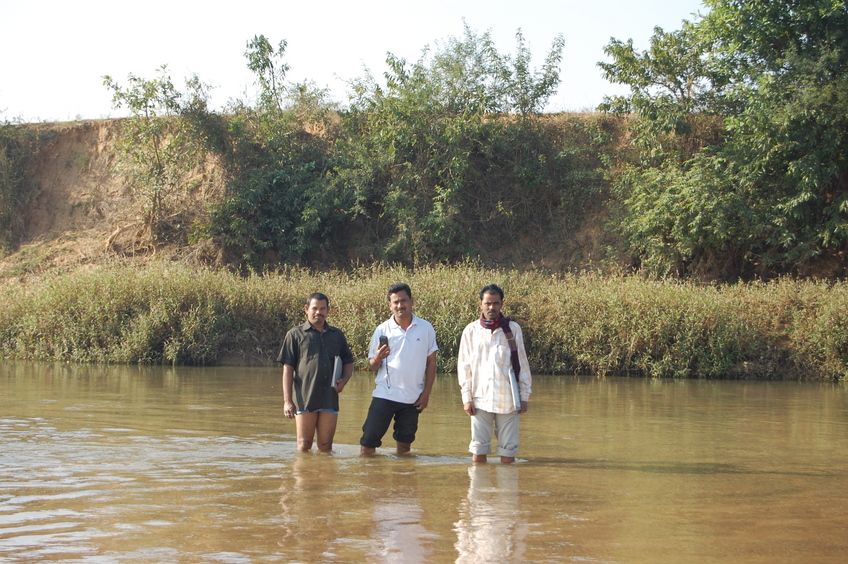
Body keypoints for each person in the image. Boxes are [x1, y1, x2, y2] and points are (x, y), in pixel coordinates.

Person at [360, 283, 438, 455]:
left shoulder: (426, 328)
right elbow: (372, 366)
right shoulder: (382, 329)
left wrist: (426, 393)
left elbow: (431, 362)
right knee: (368, 445)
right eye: (395, 302)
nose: (400, 305)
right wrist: (377, 358)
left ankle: (402, 481)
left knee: (404, 448)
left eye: (403, 301)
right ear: (390, 305)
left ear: (411, 301)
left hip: (413, 398)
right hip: (384, 395)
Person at [457, 284, 531, 463]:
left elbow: (522, 363)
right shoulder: (471, 331)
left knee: (508, 453)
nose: (492, 307)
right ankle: (478, 489)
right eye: (488, 303)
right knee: (478, 451)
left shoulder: (512, 329)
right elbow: (464, 367)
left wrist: (525, 395)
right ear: (480, 304)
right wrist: (467, 398)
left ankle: (507, 489)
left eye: (495, 303)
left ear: (501, 304)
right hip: (479, 399)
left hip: (508, 400)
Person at [277, 292, 354, 452]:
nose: (318, 312)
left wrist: (344, 380)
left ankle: (324, 476)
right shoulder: (295, 334)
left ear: (328, 310)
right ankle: (304, 476)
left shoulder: (337, 335)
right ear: (306, 309)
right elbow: (288, 369)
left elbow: (348, 362)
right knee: (304, 445)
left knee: (326, 446)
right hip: (305, 397)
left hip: (330, 396)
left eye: (322, 308)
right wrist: (287, 401)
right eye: (314, 308)